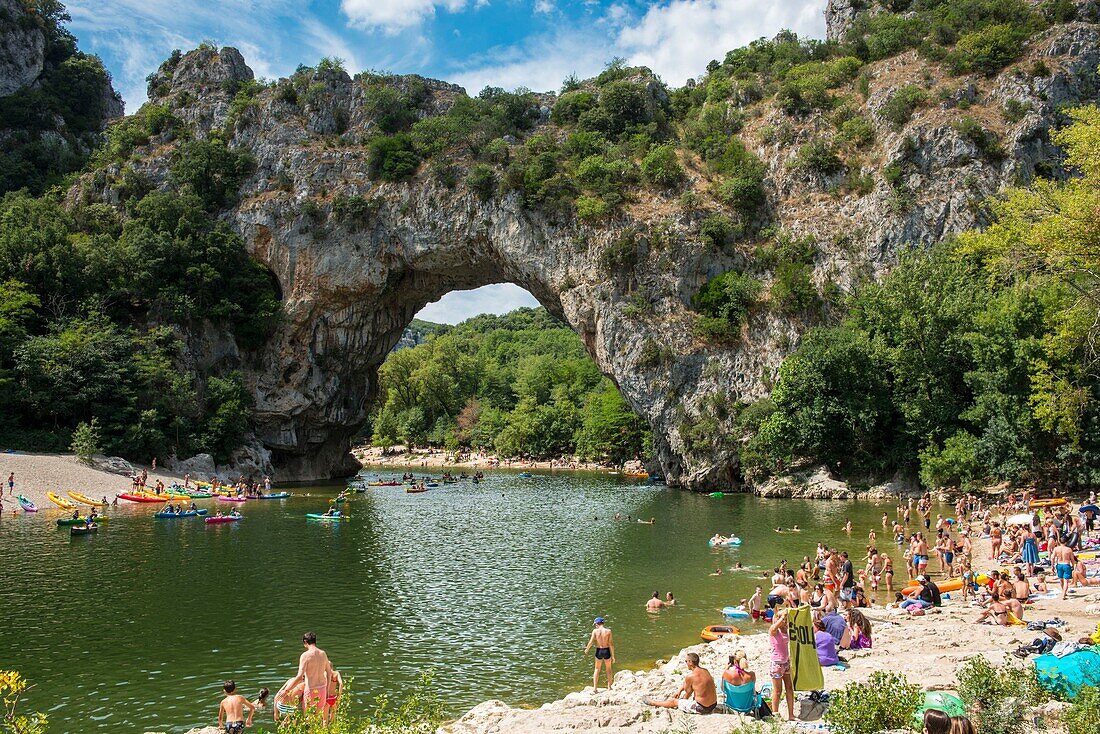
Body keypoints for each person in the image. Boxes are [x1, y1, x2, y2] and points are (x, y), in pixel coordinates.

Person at [643, 652, 717, 715]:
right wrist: (679, 690)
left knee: (674, 701)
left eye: (686, 661)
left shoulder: (690, 677)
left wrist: (680, 702)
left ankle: (653, 702)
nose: (686, 663)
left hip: (703, 708)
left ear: (690, 662)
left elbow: (688, 693)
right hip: (713, 705)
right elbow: (690, 684)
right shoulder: (705, 671)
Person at [281, 632, 334, 712]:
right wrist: (327, 690)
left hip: (311, 689)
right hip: (322, 688)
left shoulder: (305, 655)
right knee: (318, 718)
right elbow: (329, 673)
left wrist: (286, 690)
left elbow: (299, 677)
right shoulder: (323, 654)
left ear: (305, 642)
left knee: (308, 718)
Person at [584, 617, 615, 691]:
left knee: (597, 669)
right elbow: (611, 644)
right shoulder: (608, 631)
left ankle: (595, 688)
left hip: (599, 651)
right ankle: (609, 687)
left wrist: (587, 649)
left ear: (597, 624)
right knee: (609, 669)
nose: (595, 626)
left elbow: (591, 641)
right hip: (606, 651)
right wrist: (613, 656)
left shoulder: (595, 631)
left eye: (595, 624)